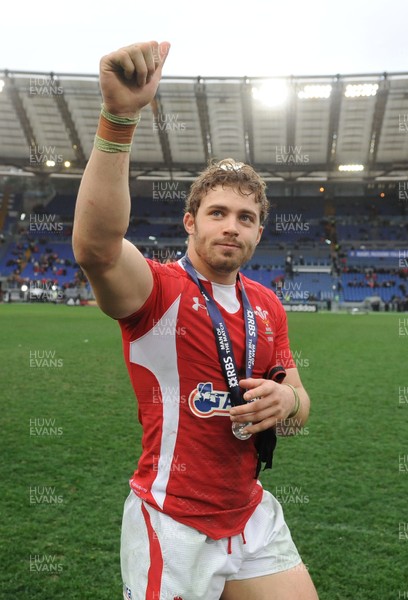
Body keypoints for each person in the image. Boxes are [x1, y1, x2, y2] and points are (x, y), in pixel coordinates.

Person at [72, 41, 319, 600]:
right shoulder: (159, 290)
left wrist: (288, 404)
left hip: (251, 513)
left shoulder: (268, 305)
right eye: (218, 213)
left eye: (247, 218)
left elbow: (300, 408)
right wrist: (120, 118)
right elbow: (97, 249)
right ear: (191, 222)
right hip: (173, 521)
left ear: (259, 232)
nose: (232, 226)